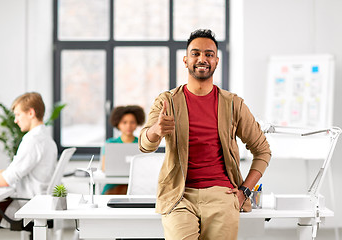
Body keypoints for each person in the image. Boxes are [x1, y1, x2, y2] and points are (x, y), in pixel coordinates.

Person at [139, 29, 271, 240]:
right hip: (179, 196)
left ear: (217, 61)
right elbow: (145, 144)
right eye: (196, 53)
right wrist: (156, 130)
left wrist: (244, 191)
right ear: (185, 59)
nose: (202, 59)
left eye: (209, 54)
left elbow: (263, 151)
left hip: (222, 194)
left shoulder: (233, 104)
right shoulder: (167, 101)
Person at [0, 92, 57, 239]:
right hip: (42, 201)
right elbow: (13, 171)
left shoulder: (32, 140)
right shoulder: (47, 139)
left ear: (31, 113)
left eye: (18, 114)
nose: (15, 120)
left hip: (29, 205)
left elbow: (6, 179)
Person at [101, 105, 145, 195]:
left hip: (136, 185)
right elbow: (104, 168)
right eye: (124, 122)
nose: (128, 126)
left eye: (132, 122)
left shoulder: (143, 144)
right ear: (118, 124)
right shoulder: (110, 143)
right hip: (113, 186)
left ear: (137, 124)